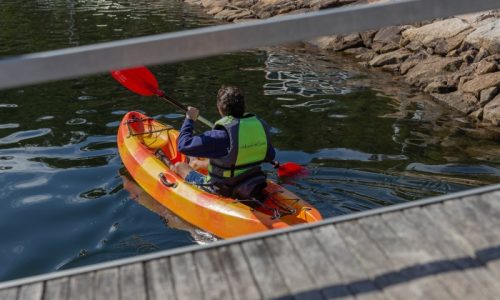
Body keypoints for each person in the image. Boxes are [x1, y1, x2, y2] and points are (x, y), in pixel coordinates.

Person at [171, 85, 276, 199]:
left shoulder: (220, 136)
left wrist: (189, 119)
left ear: (220, 108)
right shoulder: (260, 128)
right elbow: (269, 156)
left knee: (180, 166)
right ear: (243, 107)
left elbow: (183, 145)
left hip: (224, 188)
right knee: (210, 158)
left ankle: (181, 169)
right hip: (253, 181)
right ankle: (196, 163)